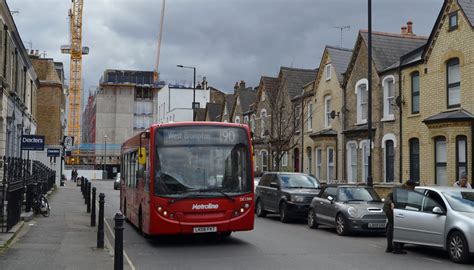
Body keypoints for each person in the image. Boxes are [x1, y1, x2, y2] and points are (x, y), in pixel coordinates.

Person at [383, 179, 417, 254]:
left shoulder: (407, 190)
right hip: (389, 209)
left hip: (397, 209)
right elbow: (388, 197)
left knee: (392, 227)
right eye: (413, 188)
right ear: (408, 186)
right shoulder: (398, 187)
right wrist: (391, 203)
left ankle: (390, 247)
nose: (413, 189)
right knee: (394, 227)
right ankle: (396, 248)